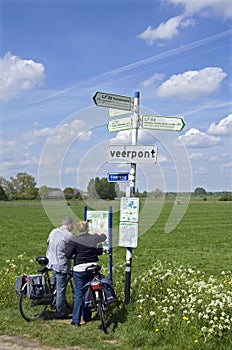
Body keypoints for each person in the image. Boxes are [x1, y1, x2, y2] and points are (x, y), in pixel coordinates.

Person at [65, 220, 107, 326]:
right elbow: (104, 237)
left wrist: (75, 254)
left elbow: (68, 254)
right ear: (88, 228)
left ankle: (76, 320)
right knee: (89, 291)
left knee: (79, 294)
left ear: (78, 230)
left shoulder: (75, 240)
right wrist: (98, 233)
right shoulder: (93, 238)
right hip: (92, 267)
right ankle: (87, 316)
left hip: (79, 269)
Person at [46, 217, 75, 319]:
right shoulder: (69, 235)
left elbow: (48, 241)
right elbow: (71, 251)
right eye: (72, 226)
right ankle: (60, 312)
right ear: (69, 225)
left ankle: (51, 303)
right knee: (61, 289)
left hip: (51, 262)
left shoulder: (54, 231)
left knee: (53, 285)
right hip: (61, 264)